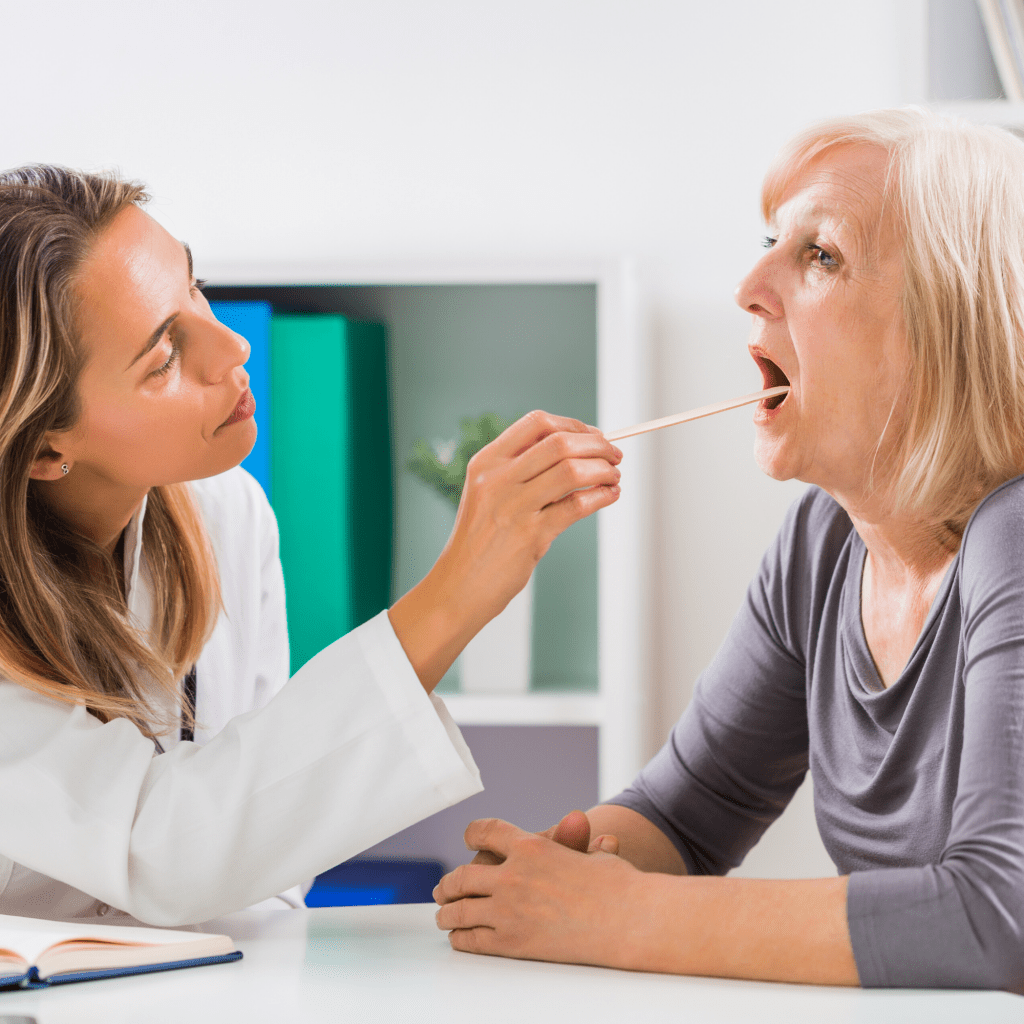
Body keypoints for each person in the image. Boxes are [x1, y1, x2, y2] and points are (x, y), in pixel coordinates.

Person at [433, 107, 1024, 992]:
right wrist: (563, 871)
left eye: (819, 255)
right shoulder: (825, 543)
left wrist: (612, 915)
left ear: (948, 326)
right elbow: (688, 813)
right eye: (768, 243)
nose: (750, 284)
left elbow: (996, 920)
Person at [0, 165, 623, 927]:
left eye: (195, 288)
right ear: (42, 448)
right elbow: (160, 848)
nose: (233, 350)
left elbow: (264, 867)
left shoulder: (227, 515)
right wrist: (456, 593)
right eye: (163, 358)